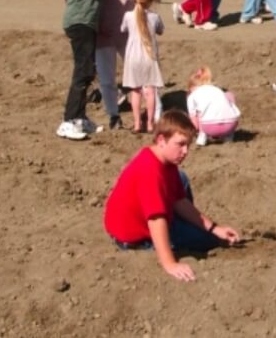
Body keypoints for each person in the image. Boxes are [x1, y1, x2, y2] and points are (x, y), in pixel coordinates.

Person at [102, 109, 241, 281]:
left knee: (181, 179)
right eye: (180, 144)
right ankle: (176, 234)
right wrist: (170, 263)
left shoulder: (164, 160)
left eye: (188, 145)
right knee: (208, 241)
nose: (185, 151)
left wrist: (214, 228)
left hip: (141, 222)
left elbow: (180, 200)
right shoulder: (150, 171)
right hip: (134, 238)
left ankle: (183, 227)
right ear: (161, 140)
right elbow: (156, 219)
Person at [60, 0, 125, 141]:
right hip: (82, 20)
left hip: (80, 20)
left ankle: (79, 118)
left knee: (86, 71)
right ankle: (69, 120)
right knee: (83, 72)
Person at [92, 0, 141, 130]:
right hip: (103, 28)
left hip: (128, 28)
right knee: (107, 75)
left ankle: (141, 110)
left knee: (137, 72)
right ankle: (113, 114)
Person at [121, 0, 165, 133]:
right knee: (150, 91)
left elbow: (123, 29)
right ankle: (151, 124)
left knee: (135, 90)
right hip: (149, 57)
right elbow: (161, 30)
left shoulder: (128, 16)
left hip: (133, 57)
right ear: (152, 0)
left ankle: (137, 123)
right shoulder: (154, 17)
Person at [186, 67, 240, 145]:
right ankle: (228, 136)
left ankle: (202, 136)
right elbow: (231, 97)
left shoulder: (192, 96)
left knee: (200, 112)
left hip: (210, 127)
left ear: (192, 87)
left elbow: (194, 123)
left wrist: (191, 132)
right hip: (230, 125)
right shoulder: (217, 90)